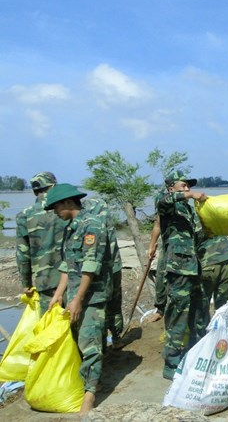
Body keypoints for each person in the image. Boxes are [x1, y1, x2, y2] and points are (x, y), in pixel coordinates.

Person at [44, 184, 113, 415]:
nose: (54, 212)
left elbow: (90, 266)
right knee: (78, 343)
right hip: (75, 294)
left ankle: (89, 397)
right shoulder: (70, 228)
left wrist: (79, 299)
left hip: (92, 295)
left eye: (55, 207)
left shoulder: (91, 225)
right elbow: (67, 265)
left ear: (67, 203)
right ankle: (91, 383)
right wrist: (59, 294)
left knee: (89, 344)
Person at [156, 171, 209, 380]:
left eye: (188, 187)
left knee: (199, 311)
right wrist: (190, 195)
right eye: (183, 186)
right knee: (178, 314)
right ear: (171, 188)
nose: (187, 189)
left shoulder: (188, 208)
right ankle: (171, 362)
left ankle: (198, 352)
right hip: (178, 269)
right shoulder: (167, 204)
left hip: (193, 267)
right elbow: (163, 201)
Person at [15, 171, 67, 316]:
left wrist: (26, 283)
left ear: (35, 191)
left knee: (48, 325)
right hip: (72, 276)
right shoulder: (67, 209)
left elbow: (22, 254)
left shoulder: (24, 215)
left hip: (45, 280)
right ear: (54, 186)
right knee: (74, 321)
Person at [84, 197, 125, 349]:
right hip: (114, 266)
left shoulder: (90, 225)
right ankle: (116, 338)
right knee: (115, 304)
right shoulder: (107, 223)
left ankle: (102, 342)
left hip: (102, 270)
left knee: (99, 306)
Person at [197, 232, 228, 321]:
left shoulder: (197, 219)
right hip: (226, 258)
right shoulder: (220, 219)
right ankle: (221, 331)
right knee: (222, 302)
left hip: (208, 260)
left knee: (202, 302)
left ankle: (202, 334)